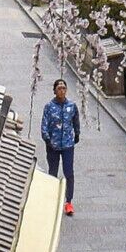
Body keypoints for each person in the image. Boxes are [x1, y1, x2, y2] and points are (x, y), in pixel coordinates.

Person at [40, 77, 81, 215]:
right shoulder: (49, 107)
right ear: (54, 91)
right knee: (52, 172)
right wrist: (47, 139)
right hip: (53, 144)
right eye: (59, 88)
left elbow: (76, 121)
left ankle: (69, 201)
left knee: (69, 172)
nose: (62, 91)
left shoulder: (72, 106)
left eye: (64, 88)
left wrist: (77, 134)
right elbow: (44, 125)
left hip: (68, 144)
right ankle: (51, 199)